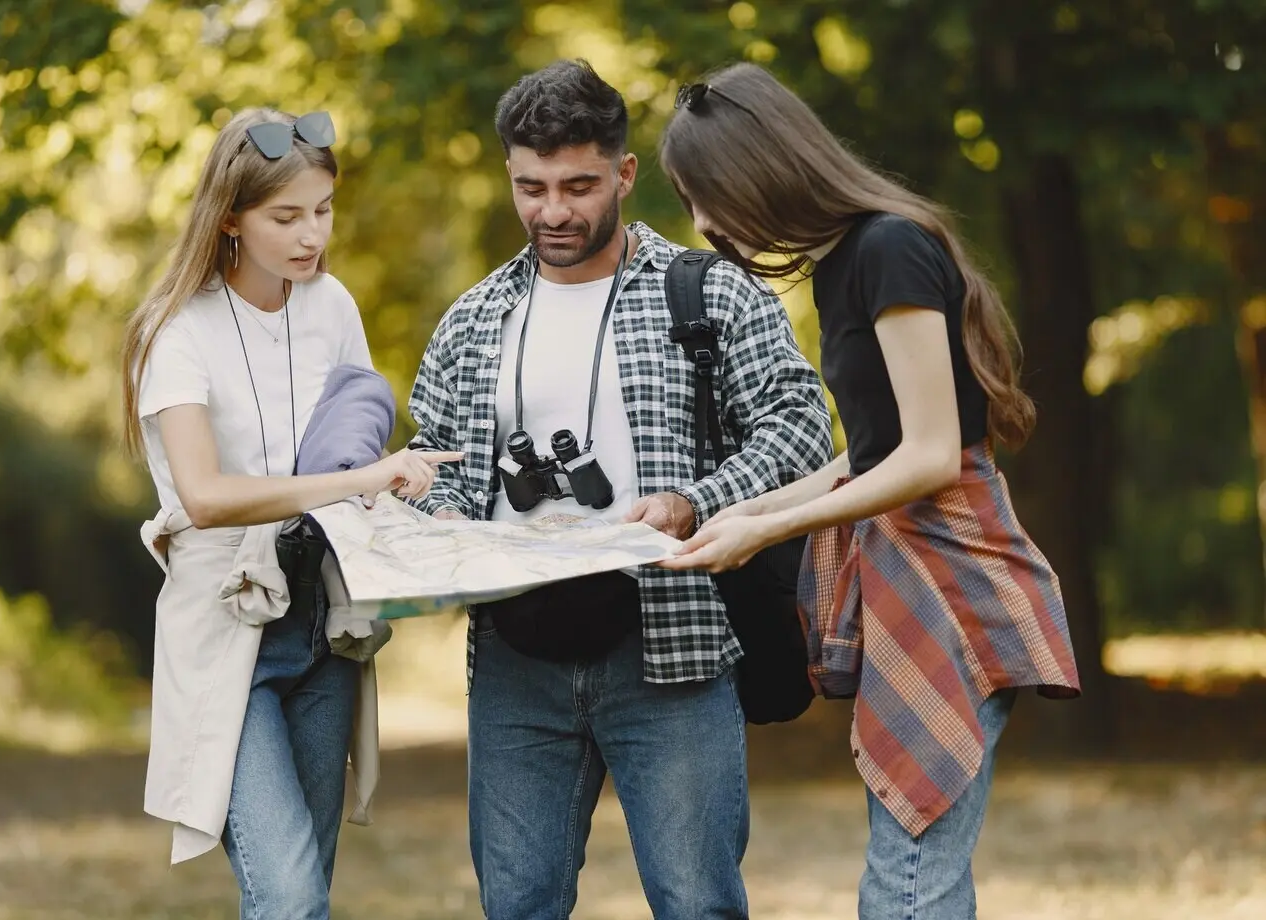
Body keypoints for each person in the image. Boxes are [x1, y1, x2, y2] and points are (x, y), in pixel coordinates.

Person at [406, 60, 834, 919]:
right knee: (517, 903)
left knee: (698, 903)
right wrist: (446, 528)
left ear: (625, 174)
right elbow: (427, 468)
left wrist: (697, 501)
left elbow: (803, 425)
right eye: (531, 187)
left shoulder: (709, 291)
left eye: (578, 185)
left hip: (672, 648)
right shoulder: (473, 319)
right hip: (515, 657)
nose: (553, 211)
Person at [658, 63, 1082, 920]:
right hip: (906, 583)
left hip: (955, 583)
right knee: (909, 872)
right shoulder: (844, 264)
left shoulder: (889, 249)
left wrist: (770, 534)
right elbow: (870, 453)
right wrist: (742, 511)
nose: (701, 223)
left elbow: (930, 459)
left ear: (757, 169)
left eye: (704, 195)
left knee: (908, 884)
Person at [118, 106, 459, 919]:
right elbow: (204, 496)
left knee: (300, 896)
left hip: (325, 618)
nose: (313, 234)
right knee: (292, 896)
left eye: (323, 209)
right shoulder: (176, 333)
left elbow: (351, 454)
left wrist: (408, 501)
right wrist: (357, 480)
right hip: (226, 620)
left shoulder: (332, 305)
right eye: (286, 216)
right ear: (230, 217)